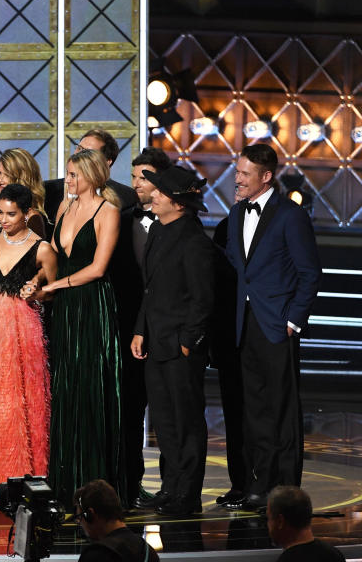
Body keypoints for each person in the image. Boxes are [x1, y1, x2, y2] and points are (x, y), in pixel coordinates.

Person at [224, 144, 321, 511]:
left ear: (266, 176)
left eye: (245, 174)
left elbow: (310, 273)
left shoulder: (290, 216)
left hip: (278, 325)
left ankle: (285, 491)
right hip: (245, 325)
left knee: (281, 410)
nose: (237, 178)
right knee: (254, 410)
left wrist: (293, 321)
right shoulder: (236, 214)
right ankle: (259, 483)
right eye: (237, 171)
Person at [27, 148, 126, 507]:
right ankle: (66, 481)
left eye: (73, 175)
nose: (67, 181)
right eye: (68, 174)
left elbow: (99, 268)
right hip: (66, 308)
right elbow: (53, 255)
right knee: (65, 389)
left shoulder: (108, 211)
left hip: (92, 305)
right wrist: (37, 280)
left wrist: (54, 287)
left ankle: (96, 484)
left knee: (89, 389)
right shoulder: (65, 208)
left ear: (93, 175)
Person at [0, 184, 56, 512]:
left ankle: (26, 481)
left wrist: (38, 290)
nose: (4, 219)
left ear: (28, 213)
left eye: (11, 214)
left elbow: (52, 291)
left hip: (25, 331)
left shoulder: (42, 248)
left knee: (24, 403)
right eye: (0, 212)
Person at [130, 166, 215, 516]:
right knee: (164, 422)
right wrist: (140, 329)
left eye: (161, 193)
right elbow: (149, 290)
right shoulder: (160, 233)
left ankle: (187, 494)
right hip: (156, 341)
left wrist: (187, 341)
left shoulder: (193, 240)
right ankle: (170, 486)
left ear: (178, 203)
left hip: (180, 347)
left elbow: (203, 298)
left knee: (186, 422)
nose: (154, 195)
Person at [107, 147, 173, 509]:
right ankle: (129, 485)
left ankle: (171, 489)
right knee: (129, 413)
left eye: (142, 177)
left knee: (167, 416)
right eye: (133, 177)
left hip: (164, 332)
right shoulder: (122, 217)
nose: (135, 185)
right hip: (126, 331)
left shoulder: (178, 222)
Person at [210, 189, 247, 509]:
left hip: (264, 335)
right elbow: (218, 287)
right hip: (229, 338)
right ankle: (240, 484)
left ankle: (264, 483)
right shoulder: (224, 228)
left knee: (261, 413)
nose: (237, 186)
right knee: (234, 413)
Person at [42, 129, 138, 226]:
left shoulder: (126, 197)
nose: (79, 154)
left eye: (87, 152)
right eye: (79, 148)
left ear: (107, 162)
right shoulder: (48, 190)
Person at [75, 480, 160, 562]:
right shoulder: (148, 551)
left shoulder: (96, 555)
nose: (80, 523)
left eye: (80, 517)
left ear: (90, 514)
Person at [267, 486, 346, 561]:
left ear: (280, 521)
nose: (268, 525)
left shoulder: (287, 559)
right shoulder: (334, 555)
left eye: (269, 518)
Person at [0, 147, 48, 237]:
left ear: (22, 178)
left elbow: (36, 249)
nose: (1, 181)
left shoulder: (31, 217)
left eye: (7, 175)